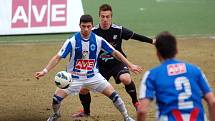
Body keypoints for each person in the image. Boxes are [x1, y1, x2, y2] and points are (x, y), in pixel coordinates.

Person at [34, 14, 142, 121]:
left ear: (92, 26)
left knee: (115, 96)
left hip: (93, 76)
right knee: (56, 99)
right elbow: (58, 57)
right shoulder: (72, 40)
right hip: (74, 78)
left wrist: (130, 65)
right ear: (79, 25)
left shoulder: (98, 40)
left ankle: (127, 117)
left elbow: (115, 52)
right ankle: (56, 115)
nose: (86, 29)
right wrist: (45, 70)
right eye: (83, 26)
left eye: (88, 26)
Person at [72, 3, 155, 118]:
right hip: (100, 66)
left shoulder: (118, 30)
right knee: (83, 90)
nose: (105, 19)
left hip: (117, 63)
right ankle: (86, 112)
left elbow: (136, 36)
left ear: (111, 17)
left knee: (126, 78)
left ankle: (136, 102)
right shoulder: (93, 32)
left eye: (107, 16)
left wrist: (152, 41)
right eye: (103, 16)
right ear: (99, 17)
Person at [137, 31, 215, 121]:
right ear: (176, 50)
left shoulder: (152, 75)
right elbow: (212, 101)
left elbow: (142, 111)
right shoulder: (195, 70)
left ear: (158, 53)